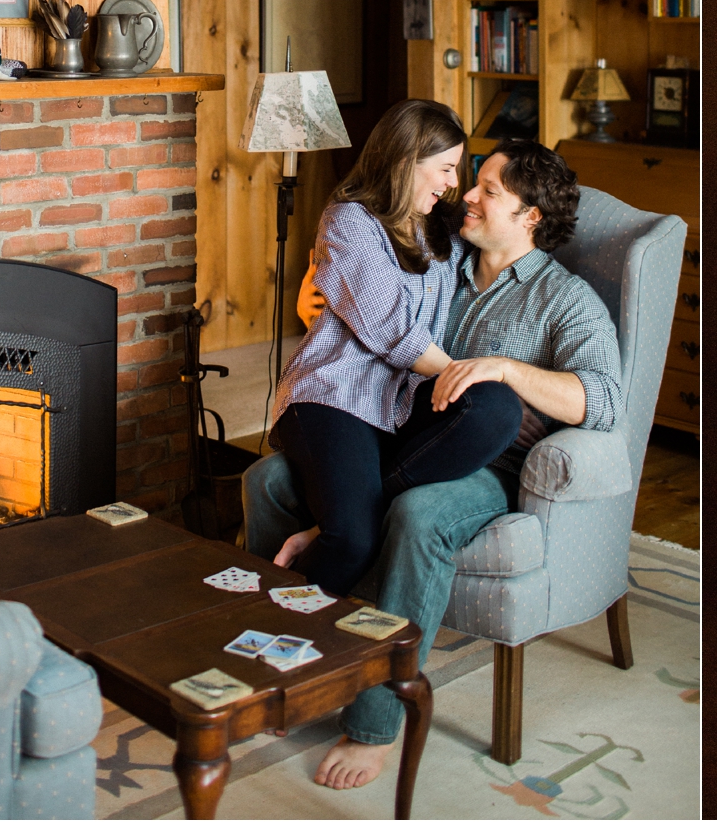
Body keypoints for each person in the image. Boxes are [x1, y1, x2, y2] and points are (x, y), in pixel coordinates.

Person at [279, 138, 624, 792]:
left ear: (530, 217)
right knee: (274, 478)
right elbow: (360, 278)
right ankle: (286, 664)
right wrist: (314, 290)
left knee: (418, 513)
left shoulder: (563, 300)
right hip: (399, 432)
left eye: (489, 190)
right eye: (472, 181)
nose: (467, 194)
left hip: (489, 467)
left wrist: (504, 369)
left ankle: (377, 723)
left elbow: (603, 401)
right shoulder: (443, 256)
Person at [267, 99, 525, 613]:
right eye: (447, 168)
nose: (453, 185)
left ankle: (323, 530)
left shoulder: (442, 228)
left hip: (398, 407)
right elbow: (393, 331)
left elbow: (507, 221)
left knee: (497, 407)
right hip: (332, 399)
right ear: (408, 160)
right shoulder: (349, 220)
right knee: (352, 542)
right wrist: (457, 372)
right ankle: (270, 643)